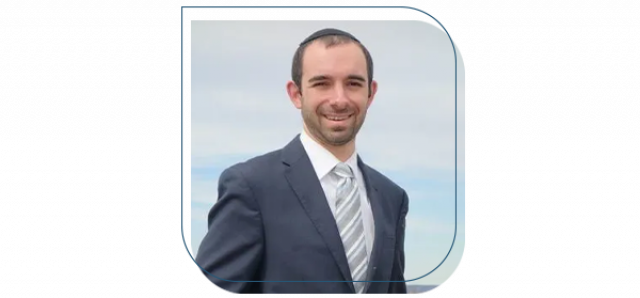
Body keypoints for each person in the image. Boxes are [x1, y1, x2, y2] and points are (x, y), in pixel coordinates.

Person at [195, 28, 409, 294]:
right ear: (296, 94)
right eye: (322, 83)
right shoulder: (251, 187)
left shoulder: (392, 197)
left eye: (353, 83)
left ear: (370, 93)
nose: (339, 99)